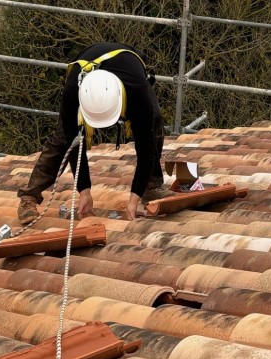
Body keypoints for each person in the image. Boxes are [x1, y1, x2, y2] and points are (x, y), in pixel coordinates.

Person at [17, 42, 165, 224]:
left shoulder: (137, 91)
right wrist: (84, 191)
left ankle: (151, 186)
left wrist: (134, 199)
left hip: (128, 69)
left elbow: (146, 150)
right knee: (63, 138)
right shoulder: (73, 91)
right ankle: (29, 197)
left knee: (153, 121)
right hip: (86, 68)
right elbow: (74, 145)